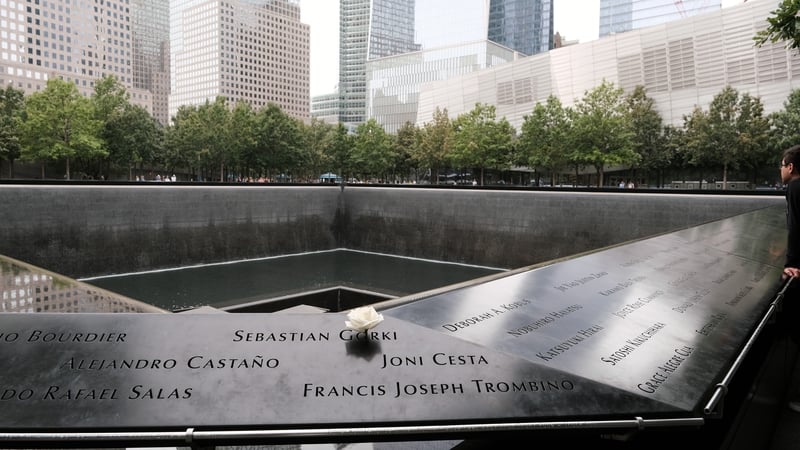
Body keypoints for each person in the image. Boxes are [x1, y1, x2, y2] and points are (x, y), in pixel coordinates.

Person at [779, 144, 800, 412]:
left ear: (791, 167)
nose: (781, 169)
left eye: (782, 165)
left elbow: (797, 227)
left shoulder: (795, 188)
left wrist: (792, 263)